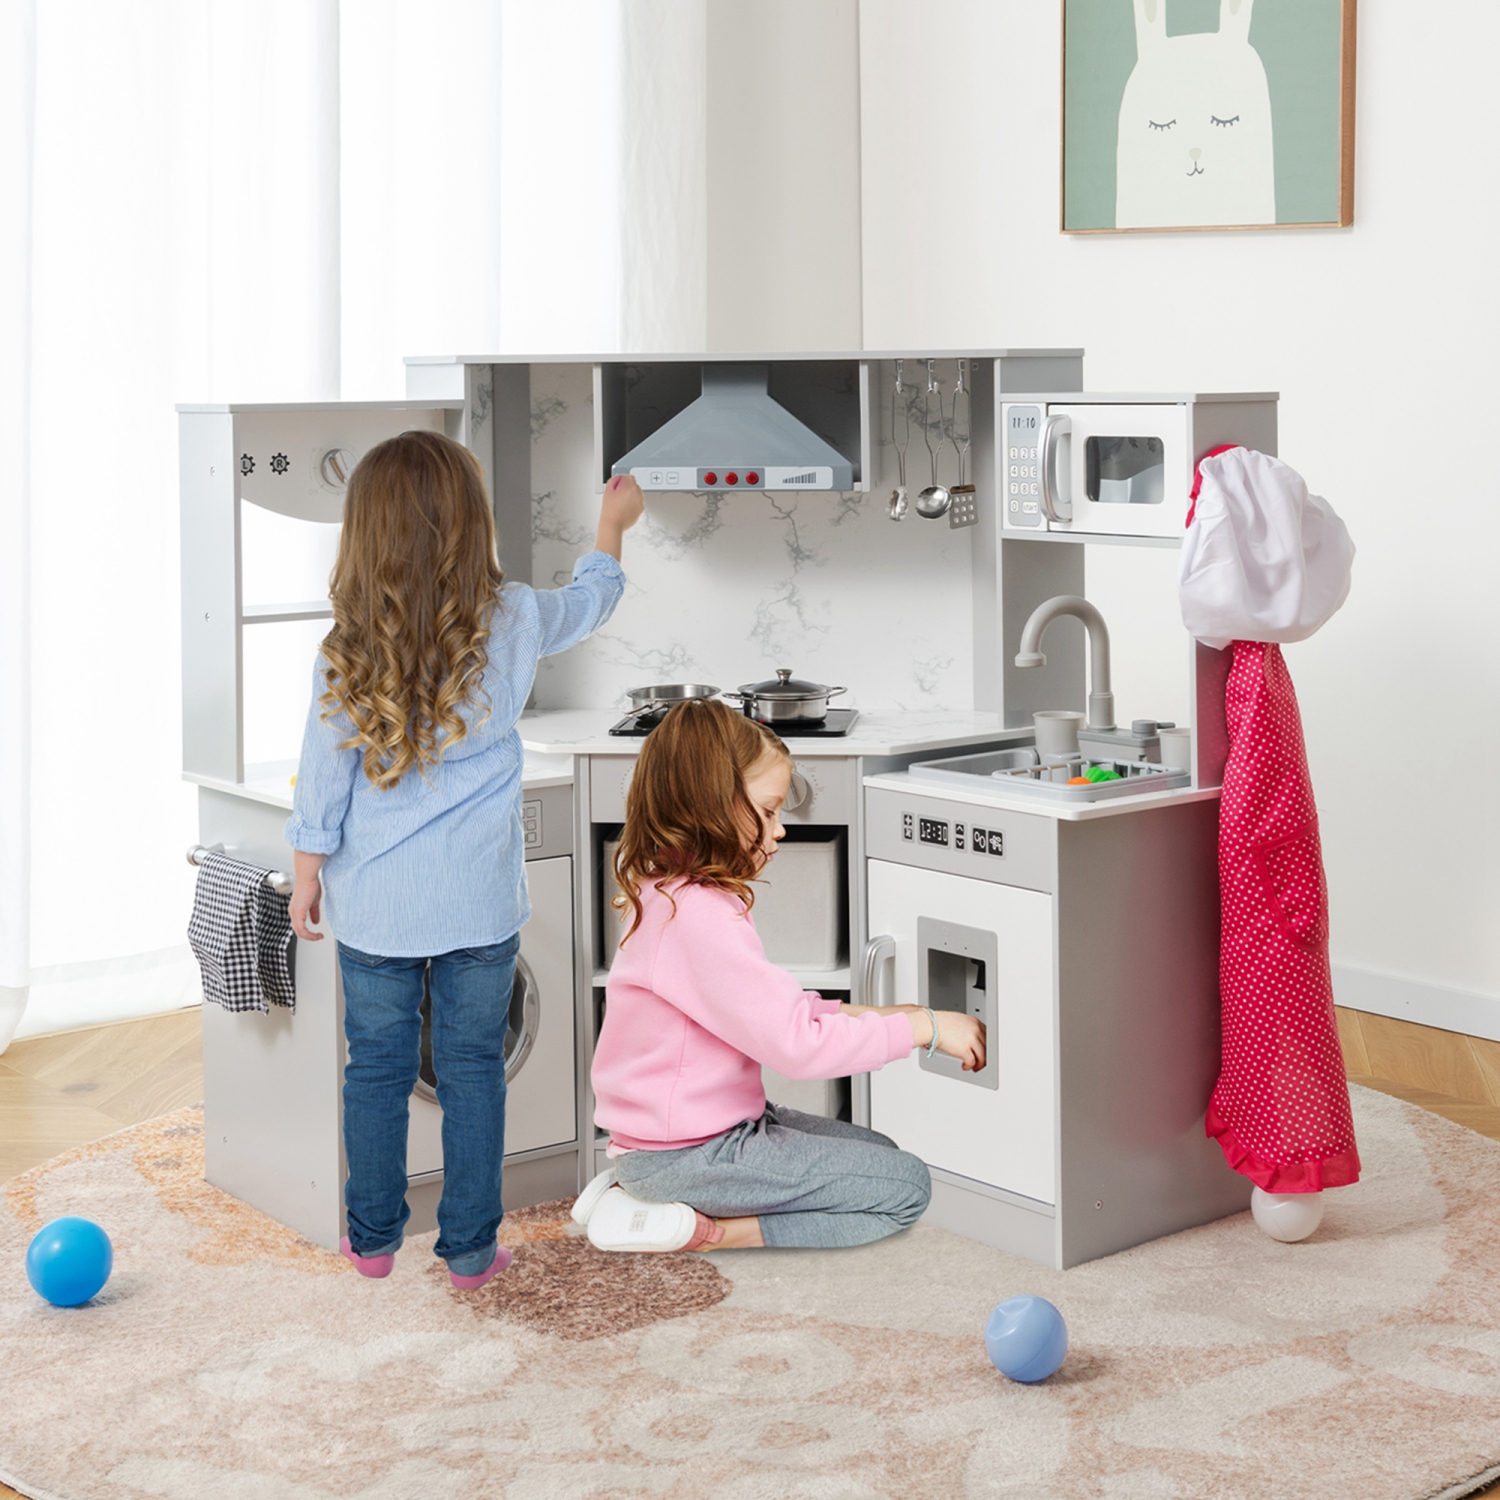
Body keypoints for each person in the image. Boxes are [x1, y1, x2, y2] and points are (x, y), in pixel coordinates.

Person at [286, 430, 642, 1288]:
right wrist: (612, 526)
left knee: (374, 1070)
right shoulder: (512, 616)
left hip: (377, 908)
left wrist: (307, 868)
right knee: (474, 1071)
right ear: (469, 523)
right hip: (478, 907)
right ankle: (472, 1253)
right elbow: (590, 602)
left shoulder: (346, 648)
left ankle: (371, 1241)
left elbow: (323, 778)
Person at [576, 699, 986, 1253]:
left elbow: (777, 1010)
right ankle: (702, 1231)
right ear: (711, 806)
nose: (781, 830)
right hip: (689, 1152)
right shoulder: (698, 919)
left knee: (881, 1155)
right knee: (905, 1186)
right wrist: (924, 1030)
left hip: (691, 1136)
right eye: (768, 812)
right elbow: (797, 1047)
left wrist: (884, 1015)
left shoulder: (673, 896)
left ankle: (641, 1192)